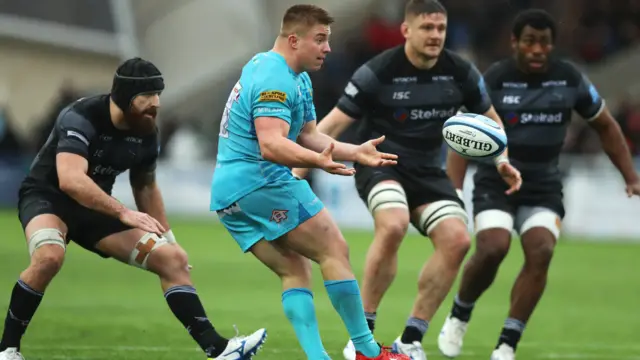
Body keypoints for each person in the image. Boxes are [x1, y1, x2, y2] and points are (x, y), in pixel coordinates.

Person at [292, 1, 521, 359]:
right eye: (427, 28)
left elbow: (491, 121)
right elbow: (333, 124)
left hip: (430, 172)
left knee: (458, 240)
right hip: (380, 162)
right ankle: (362, 337)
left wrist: (502, 160)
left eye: (440, 29)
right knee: (394, 223)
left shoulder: (460, 72)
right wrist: (297, 172)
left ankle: (410, 339)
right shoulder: (379, 71)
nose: (435, 36)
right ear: (406, 31)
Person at [0, 58, 266, 360]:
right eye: (148, 96)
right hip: (48, 197)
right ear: (126, 97)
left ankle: (219, 351)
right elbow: (71, 180)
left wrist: (168, 238)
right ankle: (7, 350)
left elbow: (146, 187)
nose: (157, 104)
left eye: (159, 95)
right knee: (49, 257)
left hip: (95, 208)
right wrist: (123, 213)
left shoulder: (147, 130)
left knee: (172, 260)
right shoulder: (80, 116)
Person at [210, 4, 410, 360]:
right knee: (334, 248)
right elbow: (272, 144)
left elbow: (308, 134)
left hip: (228, 194)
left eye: (327, 40)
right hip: (259, 182)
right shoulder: (275, 77)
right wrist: (318, 162)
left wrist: (353, 152)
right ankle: (367, 351)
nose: (327, 48)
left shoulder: (290, 74)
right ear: (293, 39)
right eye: (319, 40)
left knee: (295, 268)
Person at [438, 9, 640, 360]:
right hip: (494, 183)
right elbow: (464, 136)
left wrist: (630, 176)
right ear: (515, 42)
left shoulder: (569, 79)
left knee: (542, 250)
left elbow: (606, 126)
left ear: (552, 45)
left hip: (544, 186)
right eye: (529, 41)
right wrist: (453, 192)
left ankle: (507, 344)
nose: (537, 49)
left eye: (544, 42)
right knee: (492, 248)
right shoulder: (495, 79)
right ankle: (459, 313)